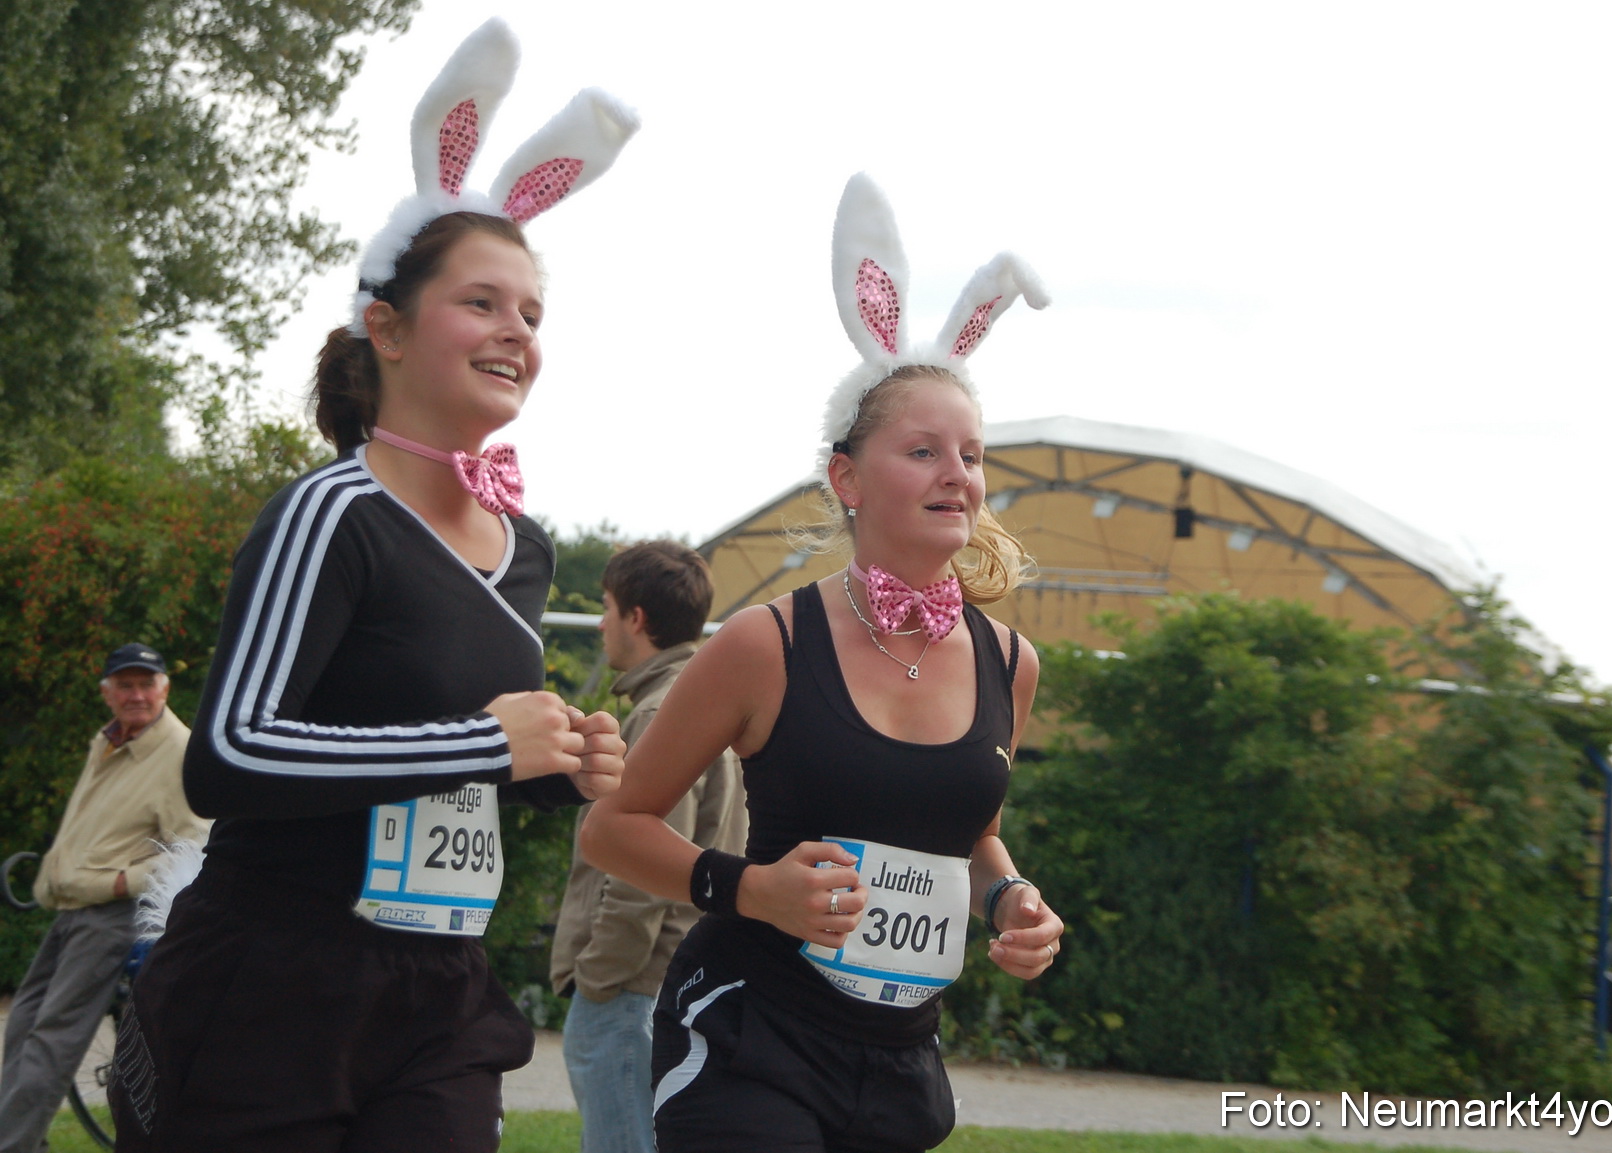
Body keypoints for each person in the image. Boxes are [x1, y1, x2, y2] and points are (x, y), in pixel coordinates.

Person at [106, 21, 638, 1151]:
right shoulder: (332, 512)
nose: (517, 333)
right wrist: (481, 743)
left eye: (533, 313)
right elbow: (230, 755)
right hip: (269, 982)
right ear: (385, 328)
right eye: (484, 302)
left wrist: (558, 766)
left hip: (439, 986)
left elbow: (469, 749)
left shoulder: (526, 547)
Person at [581, 173, 1065, 1153]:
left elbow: (972, 834)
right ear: (846, 476)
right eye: (922, 450)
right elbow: (612, 828)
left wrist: (1012, 898)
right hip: (748, 1036)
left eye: (971, 454)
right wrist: (751, 889)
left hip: (898, 1062)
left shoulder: (1011, 661)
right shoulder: (768, 642)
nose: (957, 475)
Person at [550, 541, 748, 1153]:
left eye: (608, 607)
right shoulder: (710, 701)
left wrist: (599, 976)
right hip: (676, 976)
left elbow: (643, 862)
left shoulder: (663, 712)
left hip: (634, 983)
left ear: (636, 617)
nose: (602, 622)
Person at [0, 643, 209, 1153]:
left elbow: (195, 844)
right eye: (125, 685)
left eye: (146, 683)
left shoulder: (177, 751)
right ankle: (23, 1139)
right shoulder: (111, 741)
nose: (136, 694)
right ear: (108, 692)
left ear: (164, 688)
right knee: (21, 1028)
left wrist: (121, 882)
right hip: (73, 909)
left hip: (114, 915)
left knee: (53, 1036)